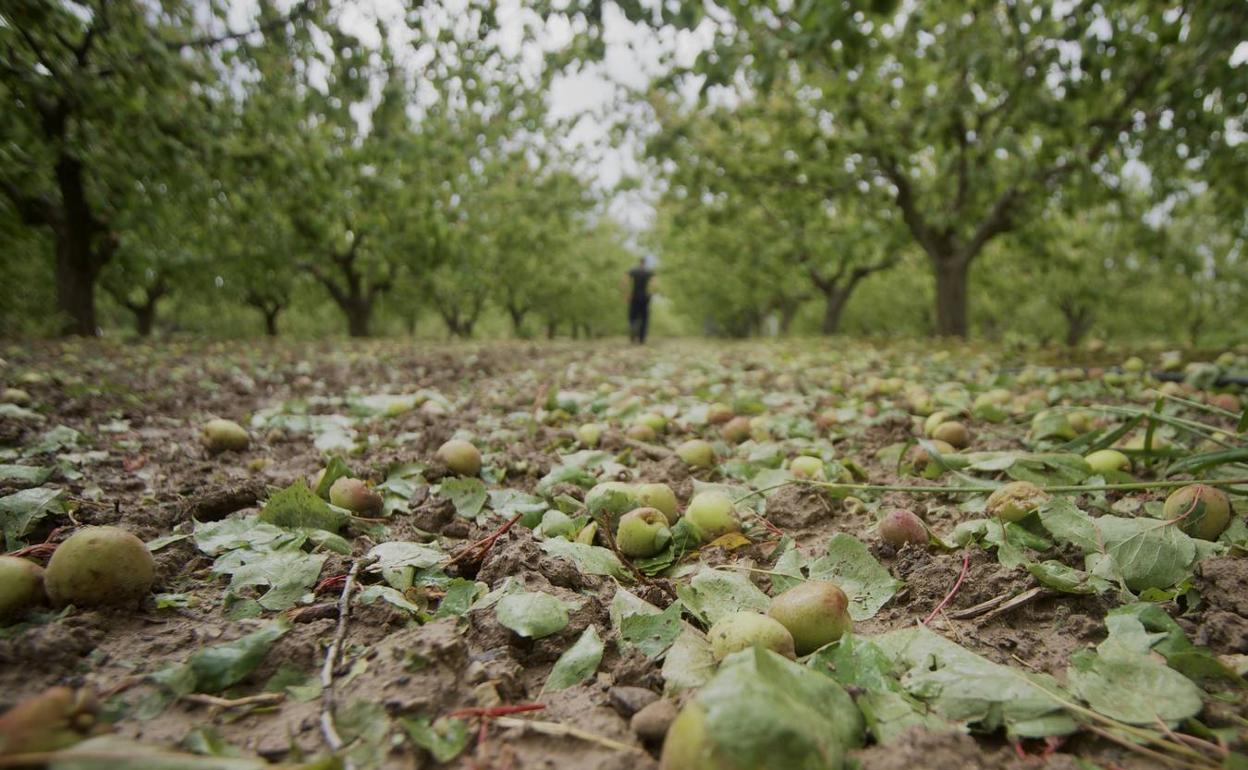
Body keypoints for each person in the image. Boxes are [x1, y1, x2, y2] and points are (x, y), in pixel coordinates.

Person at [626, 257, 656, 344]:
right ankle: (642, 338)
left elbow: (625, 281)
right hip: (644, 297)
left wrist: (627, 294)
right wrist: (651, 293)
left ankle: (633, 325)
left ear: (639, 262)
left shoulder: (633, 271)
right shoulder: (649, 272)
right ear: (645, 263)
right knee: (644, 317)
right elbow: (655, 283)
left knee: (632, 315)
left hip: (634, 296)